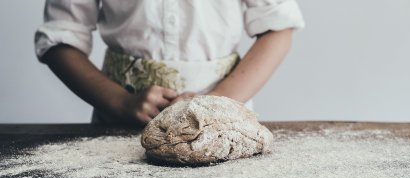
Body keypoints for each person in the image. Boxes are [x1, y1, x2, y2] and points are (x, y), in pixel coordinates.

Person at [35, 0, 305, 126]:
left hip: (224, 120)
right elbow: (60, 39)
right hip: (120, 122)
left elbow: (278, 29)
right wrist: (119, 102)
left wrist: (217, 102)